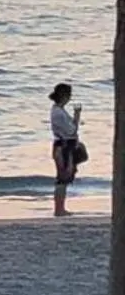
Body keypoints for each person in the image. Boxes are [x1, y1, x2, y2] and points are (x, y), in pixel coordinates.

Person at [50, 83, 82, 217]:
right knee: (63, 177)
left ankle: (60, 208)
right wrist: (76, 116)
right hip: (64, 145)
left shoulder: (58, 110)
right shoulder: (59, 113)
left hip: (64, 144)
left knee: (64, 177)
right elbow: (71, 130)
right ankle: (59, 209)